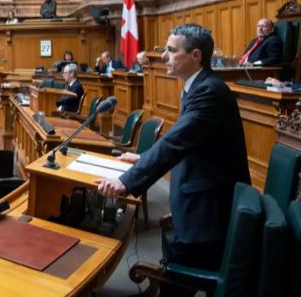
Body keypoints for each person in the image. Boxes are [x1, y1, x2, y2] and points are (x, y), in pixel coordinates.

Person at [97, 24, 251, 294]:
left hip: (207, 214)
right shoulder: (196, 86)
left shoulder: (209, 91)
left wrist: (127, 181)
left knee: (176, 287)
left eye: (170, 50)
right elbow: (188, 141)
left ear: (195, 56)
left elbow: (177, 141)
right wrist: (143, 157)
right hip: (196, 202)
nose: (164, 57)